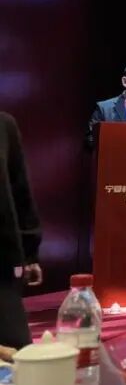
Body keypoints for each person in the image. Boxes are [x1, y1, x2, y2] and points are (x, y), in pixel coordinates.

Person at [0, 112, 44, 353]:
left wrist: (30, 253)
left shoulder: (4, 125)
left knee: (19, 355)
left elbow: (20, 191)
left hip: (2, 267)